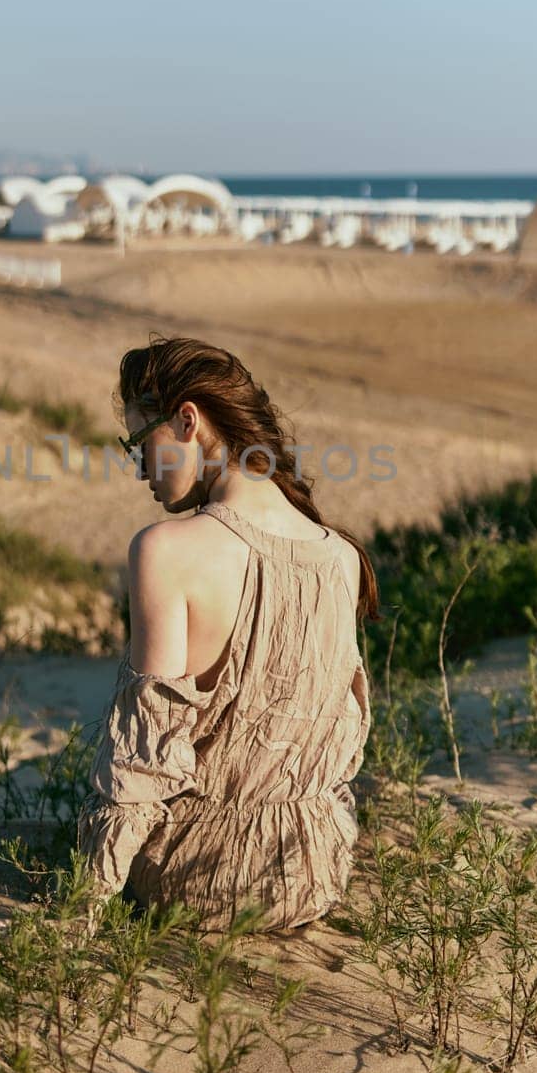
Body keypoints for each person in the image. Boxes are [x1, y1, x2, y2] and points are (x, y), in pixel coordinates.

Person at [77, 335, 378, 931]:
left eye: (138, 442)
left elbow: (145, 754)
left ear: (187, 420)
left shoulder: (165, 550)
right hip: (311, 872)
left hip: (197, 878)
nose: (138, 467)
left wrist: (82, 903)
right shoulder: (340, 556)